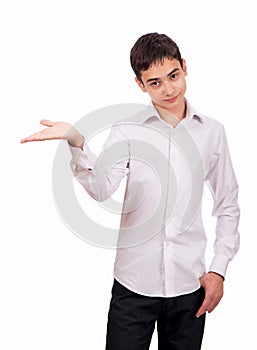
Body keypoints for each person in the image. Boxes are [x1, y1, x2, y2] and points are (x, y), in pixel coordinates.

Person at [21, 33, 240, 349]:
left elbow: (227, 203)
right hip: (133, 286)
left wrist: (218, 270)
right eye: (154, 82)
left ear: (185, 68)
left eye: (173, 76)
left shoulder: (213, 132)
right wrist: (77, 141)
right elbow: (102, 188)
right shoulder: (127, 129)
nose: (168, 89)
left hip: (189, 287)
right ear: (140, 85)